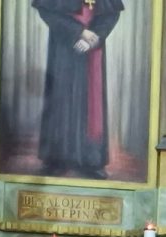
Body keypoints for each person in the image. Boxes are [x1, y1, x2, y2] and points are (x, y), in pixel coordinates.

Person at [32, 1, 125, 180]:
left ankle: (91, 160)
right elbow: (48, 11)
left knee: (91, 104)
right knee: (61, 100)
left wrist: (95, 36)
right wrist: (78, 32)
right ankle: (56, 159)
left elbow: (111, 13)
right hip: (63, 46)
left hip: (93, 47)